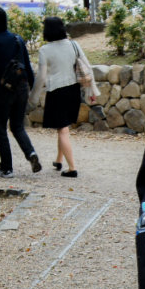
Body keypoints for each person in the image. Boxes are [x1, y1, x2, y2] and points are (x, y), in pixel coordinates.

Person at [29, 16, 97, 178]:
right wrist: (92, 91)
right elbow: (87, 67)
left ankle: (72, 168)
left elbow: (41, 77)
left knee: (62, 129)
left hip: (56, 92)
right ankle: (59, 160)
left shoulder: (45, 50)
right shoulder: (74, 45)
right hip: (73, 90)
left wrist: (33, 98)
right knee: (63, 127)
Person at [0, 6, 41, 179]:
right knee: (17, 126)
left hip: (2, 90)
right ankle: (30, 153)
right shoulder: (17, 39)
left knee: (0, 129)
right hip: (21, 88)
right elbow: (27, 66)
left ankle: (6, 168)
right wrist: (31, 87)